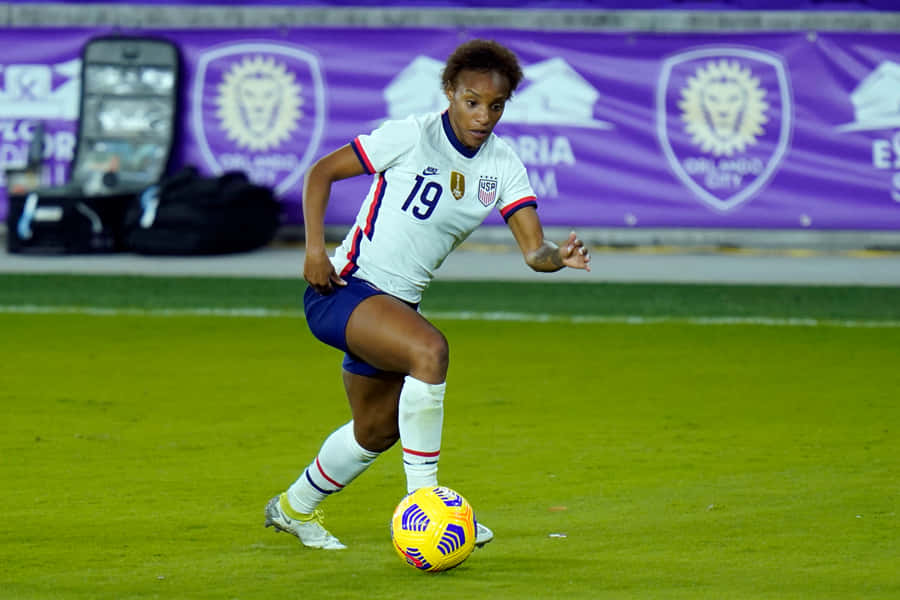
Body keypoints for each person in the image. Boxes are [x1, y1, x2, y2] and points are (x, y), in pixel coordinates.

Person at [264, 39, 591, 550]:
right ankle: (427, 506)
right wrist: (314, 251)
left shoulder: (502, 166)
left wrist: (558, 258)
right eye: (472, 101)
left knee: (375, 430)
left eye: (496, 105)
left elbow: (534, 250)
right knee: (430, 351)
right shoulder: (411, 135)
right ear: (449, 92)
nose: (484, 115)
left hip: (394, 310)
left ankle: (292, 508)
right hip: (344, 290)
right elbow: (321, 172)